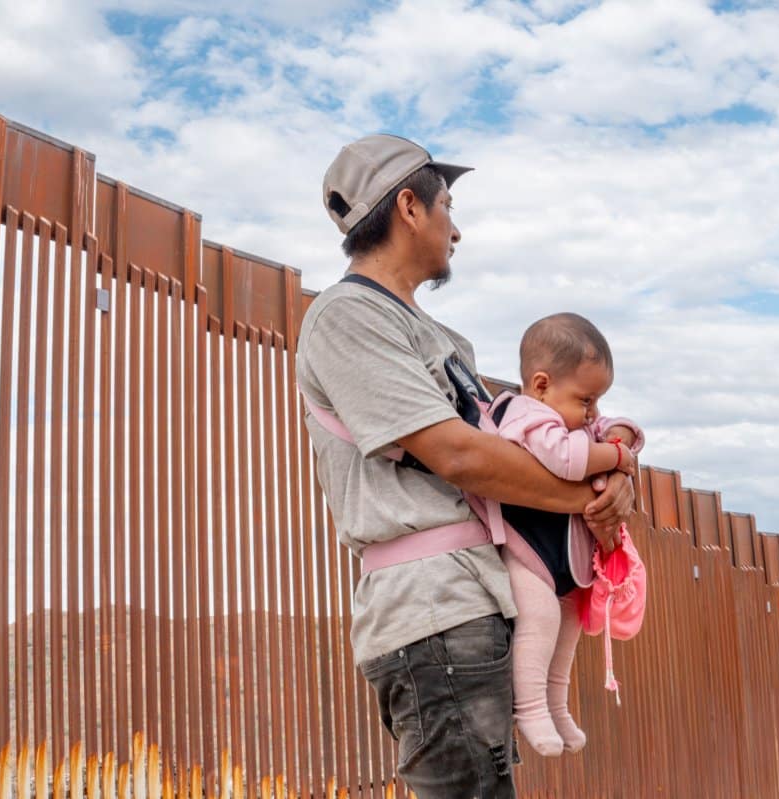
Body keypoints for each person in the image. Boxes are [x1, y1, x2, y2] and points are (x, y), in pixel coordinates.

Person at [296, 133, 637, 799]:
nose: (456, 229)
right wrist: (590, 493)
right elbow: (459, 454)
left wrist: (617, 477)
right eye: (447, 206)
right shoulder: (348, 315)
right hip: (433, 608)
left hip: (476, 603)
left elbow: (529, 446)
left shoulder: (442, 339)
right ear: (409, 207)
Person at [490, 313, 644, 757]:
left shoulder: (573, 419)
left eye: (598, 400)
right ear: (542, 385)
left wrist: (618, 436)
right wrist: (617, 457)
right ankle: (530, 708)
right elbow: (567, 461)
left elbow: (625, 429)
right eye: (587, 399)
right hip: (526, 551)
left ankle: (557, 705)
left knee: (568, 629)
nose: (593, 411)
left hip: (563, 559)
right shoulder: (527, 417)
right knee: (539, 621)